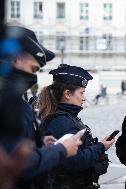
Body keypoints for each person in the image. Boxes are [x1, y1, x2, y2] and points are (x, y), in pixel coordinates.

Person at [0, 25, 83, 189]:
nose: (33, 76)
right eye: (33, 69)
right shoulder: (5, 101)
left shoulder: (13, 98)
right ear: (15, 59)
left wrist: (38, 142)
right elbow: (15, 164)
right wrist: (61, 149)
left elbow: (17, 144)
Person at [37, 64, 115, 189]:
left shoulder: (63, 116)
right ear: (67, 94)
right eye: (81, 93)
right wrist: (100, 147)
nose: (84, 98)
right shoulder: (62, 122)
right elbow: (76, 160)